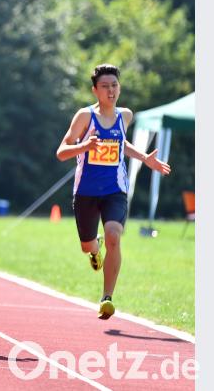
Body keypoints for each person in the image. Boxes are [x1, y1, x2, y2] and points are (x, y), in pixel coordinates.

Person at [56, 63, 170, 320]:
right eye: (105, 86)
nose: (111, 91)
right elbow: (61, 152)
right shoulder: (84, 117)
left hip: (115, 189)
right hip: (85, 191)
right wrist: (84, 145)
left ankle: (107, 298)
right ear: (95, 90)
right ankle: (94, 249)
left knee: (114, 236)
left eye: (115, 85)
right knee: (87, 246)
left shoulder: (125, 116)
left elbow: (121, 144)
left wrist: (144, 157)